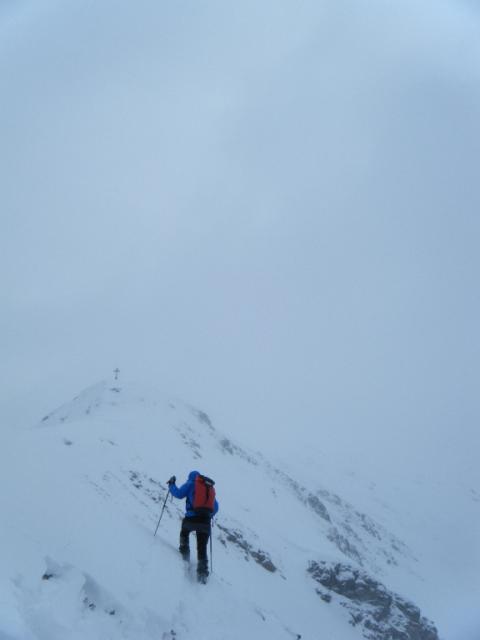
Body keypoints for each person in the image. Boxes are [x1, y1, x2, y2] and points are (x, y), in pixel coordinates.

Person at [168, 470, 219, 582]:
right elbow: (216, 507)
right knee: (202, 547)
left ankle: (184, 553)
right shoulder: (208, 489)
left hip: (191, 519)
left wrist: (171, 484)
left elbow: (178, 494)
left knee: (184, 532)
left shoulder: (190, 484)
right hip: (205, 522)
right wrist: (207, 515)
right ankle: (202, 574)